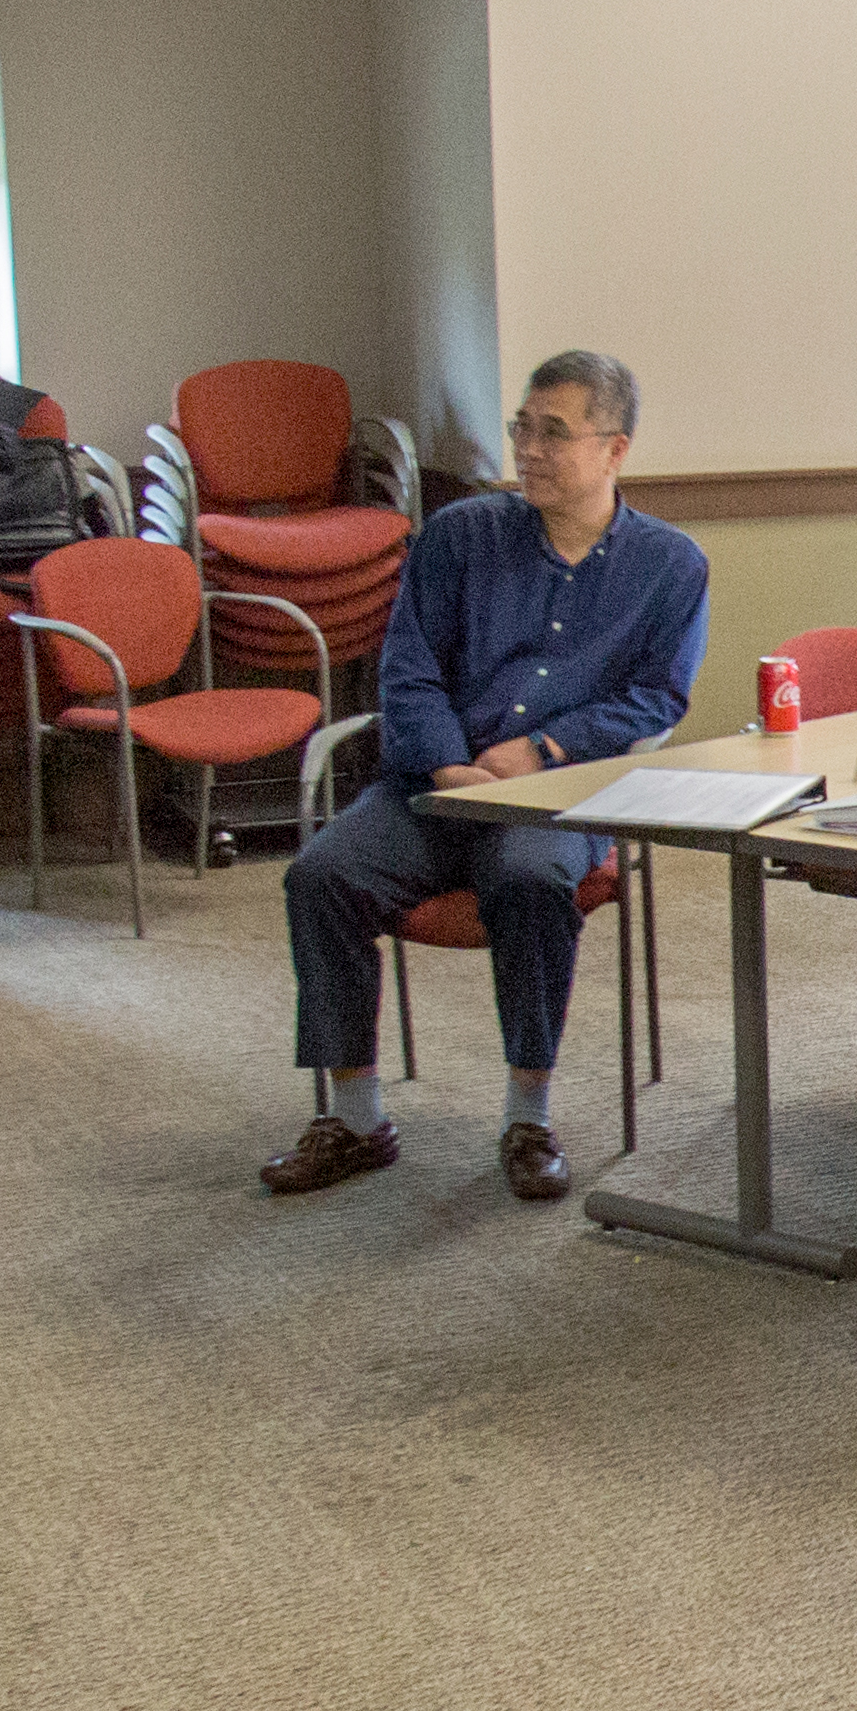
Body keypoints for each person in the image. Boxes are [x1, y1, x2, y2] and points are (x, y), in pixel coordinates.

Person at [260, 352, 705, 1209]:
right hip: (436, 779)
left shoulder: (670, 565)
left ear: (615, 450)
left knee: (530, 878)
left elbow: (657, 699)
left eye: (554, 434)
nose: (529, 450)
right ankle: (356, 1120)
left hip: (556, 794)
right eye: (522, 429)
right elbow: (408, 668)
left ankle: (528, 1118)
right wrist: (447, 764)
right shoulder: (460, 536)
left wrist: (541, 752)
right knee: (320, 876)